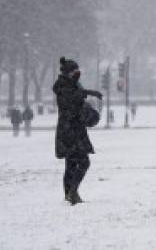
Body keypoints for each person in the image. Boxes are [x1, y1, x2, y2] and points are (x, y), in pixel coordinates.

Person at [54, 57, 102, 205]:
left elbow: (77, 99)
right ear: (68, 72)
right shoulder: (62, 86)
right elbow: (70, 102)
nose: (77, 73)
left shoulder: (72, 84)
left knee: (71, 163)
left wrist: (88, 94)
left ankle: (69, 195)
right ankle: (72, 192)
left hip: (73, 128)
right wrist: (86, 93)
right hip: (69, 130)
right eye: (75, 71)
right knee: (83, 162)